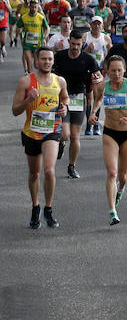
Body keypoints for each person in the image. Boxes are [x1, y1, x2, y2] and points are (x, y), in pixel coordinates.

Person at [88, 55, 127, 225]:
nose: (116, 74)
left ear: (124, 70)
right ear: (107, 71)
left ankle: (121, 188)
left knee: (122, 176)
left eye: (119, 70)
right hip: (110, 132)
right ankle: (112, 211)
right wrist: (93, 113)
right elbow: (98, 100)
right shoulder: (103, 86)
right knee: (112, 173)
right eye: (113, 70)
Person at [12, 46, 69, 229]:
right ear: (36, 61)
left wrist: (64, 107)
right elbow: (15, 111)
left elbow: (65, 98)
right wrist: (29, 100)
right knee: (35, 173)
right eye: (43, 59)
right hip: (31, 132)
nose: (47, 62)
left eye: (50, 59)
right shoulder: (26, 82)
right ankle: (35, 207)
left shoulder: (59, 81)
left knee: (49, 171)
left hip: (52, 130)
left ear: (53, 61)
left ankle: (48, 209)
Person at [53, 32, 102, 179]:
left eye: (78, 45)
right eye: (73, 44)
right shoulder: (60, 56)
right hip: (62, 98)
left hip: (79, 99)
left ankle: (71, 166)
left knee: (75, 137)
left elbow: (98, 76)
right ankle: (61, 143)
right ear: (69, 41)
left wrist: (97, 79)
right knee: (65, 134)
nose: (75, 47)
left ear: (82, 44)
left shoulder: (88, 59)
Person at [16, 0, 49, 74]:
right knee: (29, 62)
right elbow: (18, 27)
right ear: (29, 7)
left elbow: (47, 28)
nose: (34, 9)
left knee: (37, 65)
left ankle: (39, 76)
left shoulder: (41, 17)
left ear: (38, 8)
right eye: (32, 7)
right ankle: (32, 81)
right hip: (27, 43)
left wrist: (44, 37)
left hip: (38, 43)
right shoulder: (24, 17)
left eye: (35, 7)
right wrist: (19, 31)